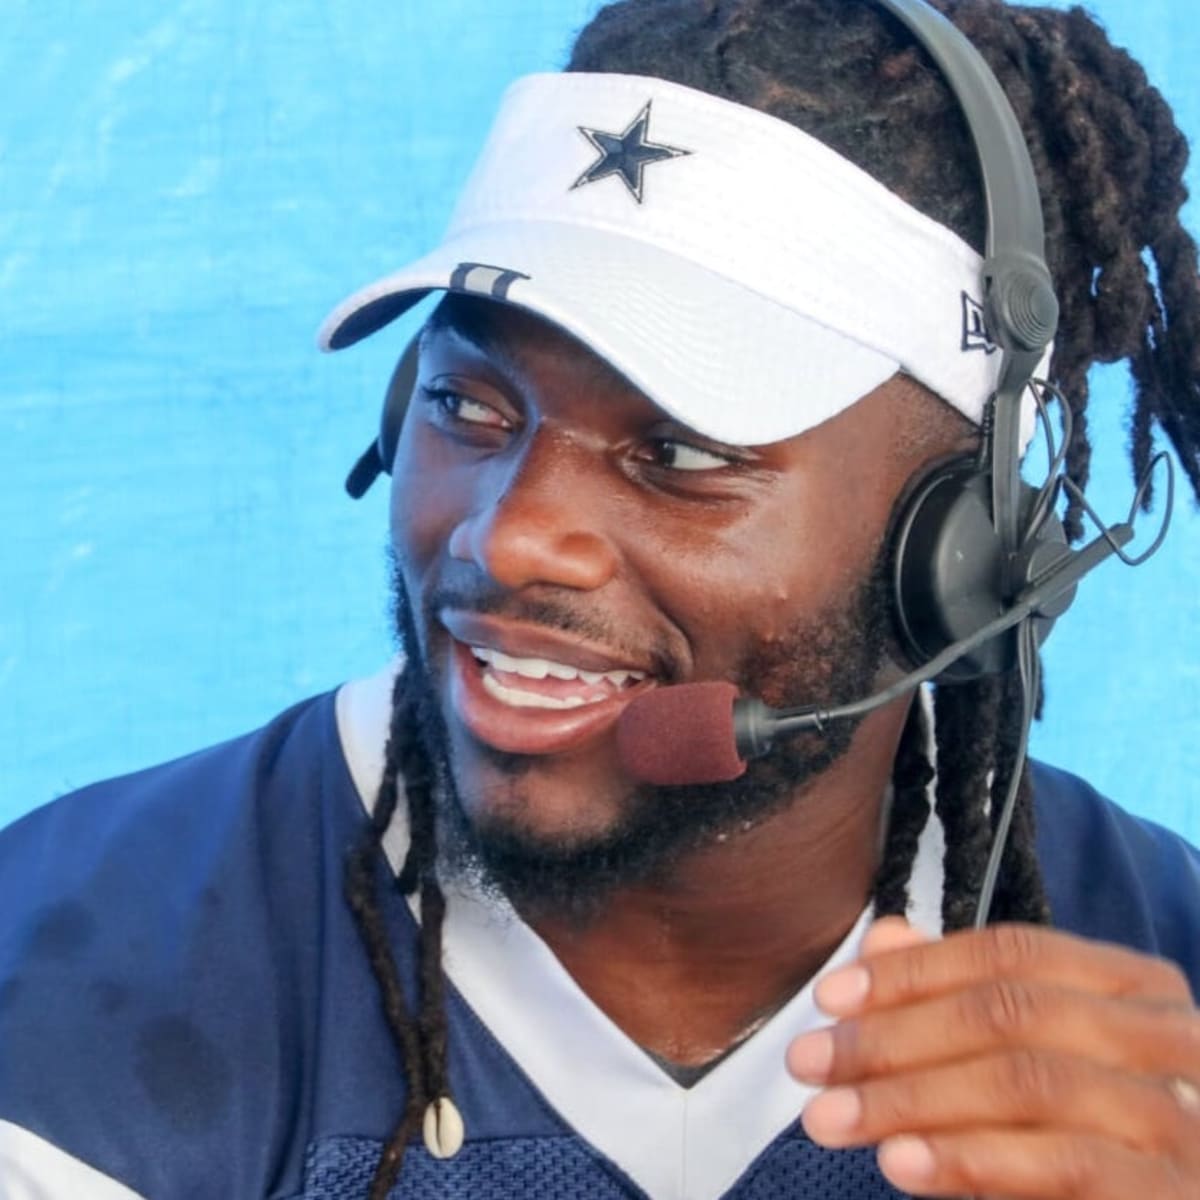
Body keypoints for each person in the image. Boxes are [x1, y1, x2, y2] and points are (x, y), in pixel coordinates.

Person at [2, 1, 1199, 1198]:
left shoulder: (1164, 982)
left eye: (678, 455)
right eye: (469, 407)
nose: (510, 537)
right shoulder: (59, 998)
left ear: (963, 549)